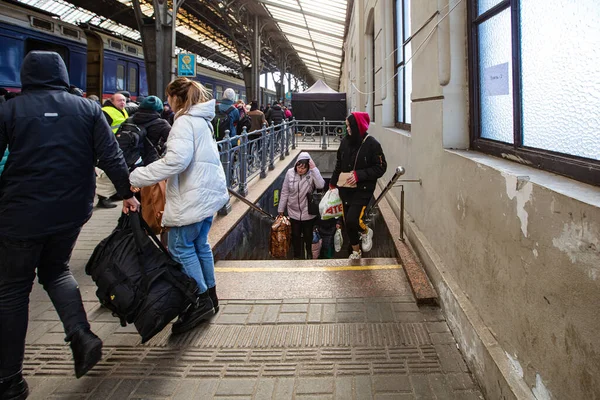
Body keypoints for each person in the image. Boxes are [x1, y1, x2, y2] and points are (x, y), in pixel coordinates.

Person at [0, 51, 139, 399]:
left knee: (14, 288)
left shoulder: (9, 109)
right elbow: (111, 155)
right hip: (71, 209)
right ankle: (80, 333)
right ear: (62, 74)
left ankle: (10, 380)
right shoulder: (88, 109)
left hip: (20, 213)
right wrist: (127, 194)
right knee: (56, 270)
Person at [129, 77, 229, 334]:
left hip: (191, 197)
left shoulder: (184, 122)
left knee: (180, 248)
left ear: (176, 98)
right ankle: (211, 295)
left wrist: (137, 176)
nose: (168, 103)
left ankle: (199, 301)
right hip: (206, 195)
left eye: (169, 97)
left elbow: (176, 162)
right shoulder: (202, 120)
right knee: (199, 245)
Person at [330, 112, 387, 260]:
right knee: (347, 224)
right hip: (345, 189)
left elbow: (381, 167)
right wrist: (332, 183)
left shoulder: (372, 144)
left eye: (350, 126)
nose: (347, 129)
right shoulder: (344, 142)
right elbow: (338, 164)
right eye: (346, 126)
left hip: (363, 190)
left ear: (358, 126)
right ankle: (356, 251)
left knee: (352, 220)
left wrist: (359, 175)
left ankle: (366, 231)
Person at [278, 152, 325, 259]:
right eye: (299, 167)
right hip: (293, 212)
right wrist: (281, 209)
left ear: (308, 167)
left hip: (307, 213)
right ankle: (297, 256)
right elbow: (285, 191)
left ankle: (309, 255)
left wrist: (314, 169)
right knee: (295, 236)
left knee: (308, 237)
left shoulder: (311, 174)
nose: (300, 170)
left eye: (303, 168)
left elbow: (321, 185)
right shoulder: (289, 173)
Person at [96, 92, 129, 208]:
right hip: (108, 146)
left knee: (116, 170)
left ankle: (113, 194)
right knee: (105, 173)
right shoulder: (107, 112)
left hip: (117, 144)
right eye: (120, 100)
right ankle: (103, 197)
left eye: (124, 100)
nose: (123, 102)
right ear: (112, 101)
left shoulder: (122, 110)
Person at [131, 95, 172, 163]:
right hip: (151, 160)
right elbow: (173, 139)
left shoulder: (130, 120)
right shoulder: (161, 123)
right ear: (159, 109)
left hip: (132, 159)